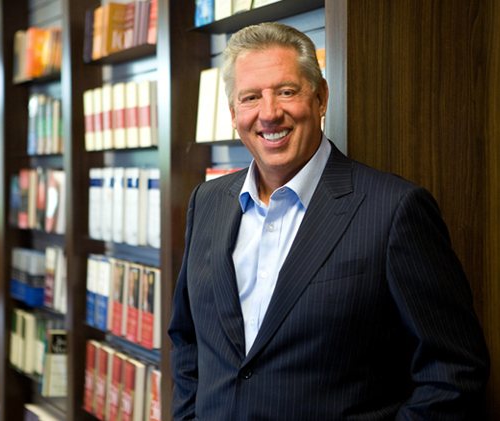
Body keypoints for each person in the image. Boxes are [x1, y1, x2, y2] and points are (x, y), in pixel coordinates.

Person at [168, 22, 490, 421]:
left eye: (286, 91)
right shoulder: (207, 201)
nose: (269, 113)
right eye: (250, 97)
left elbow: (455, 370)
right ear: (234, 114)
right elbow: (187, 339)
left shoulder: (394, 209)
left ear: (320, 98)